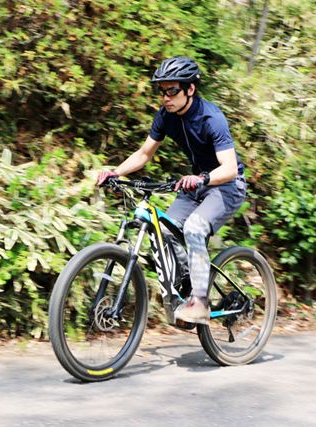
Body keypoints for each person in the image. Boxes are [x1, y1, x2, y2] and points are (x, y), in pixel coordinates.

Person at [96, 56, 247, 325]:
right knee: (164, 231)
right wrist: (115, 173)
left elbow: (230, 168)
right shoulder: (166, 117)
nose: (166, 97)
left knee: (194, 228)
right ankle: (189, 285)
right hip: (196, 184)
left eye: (172, 90)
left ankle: (199, 302)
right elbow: (144, 153)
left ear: (190, 89)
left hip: (226, 186)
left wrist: (201, 179)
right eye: (161, 91)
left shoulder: (211, 117)